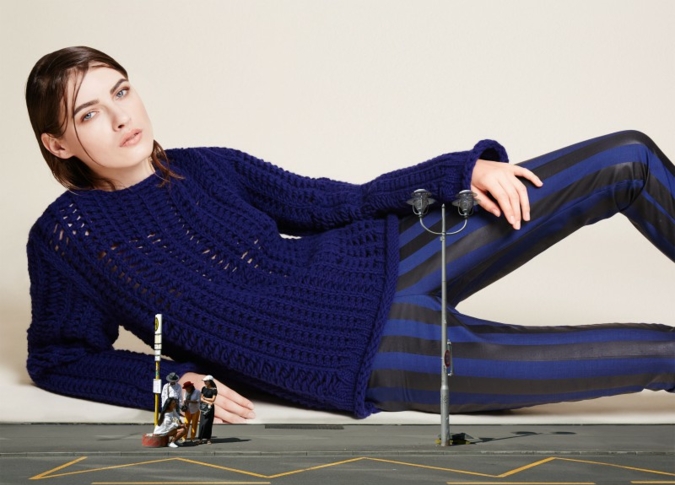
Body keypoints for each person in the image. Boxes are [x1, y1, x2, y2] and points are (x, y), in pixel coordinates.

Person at [24, 46, 674, 423]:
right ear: (58, 143)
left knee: (628, 157)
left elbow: (335, 201)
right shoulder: (68, 235)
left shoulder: (205, 164)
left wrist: (460, 172)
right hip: (358, 354)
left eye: (121, 91)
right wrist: (173, 384)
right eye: (90, 113)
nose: (121, 117)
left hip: (381, 258)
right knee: (662, 353)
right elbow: (60, 357)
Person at [198, 376, 218, 444]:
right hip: (204, 407)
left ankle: (208, 439)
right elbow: (201, 398)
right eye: (204, 381)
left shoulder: (214, 390)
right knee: (202, 423)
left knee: (208, 423)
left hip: (210, 408)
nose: (205, 382)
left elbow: (213, 399)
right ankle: (200, 439)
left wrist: (205, 399)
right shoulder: (203, 388)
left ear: (210, 381)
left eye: (206, 381)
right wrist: (207, 401)